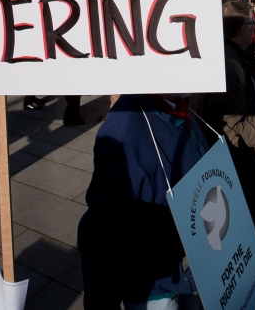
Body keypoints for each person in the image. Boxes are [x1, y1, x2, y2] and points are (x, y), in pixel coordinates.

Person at [79, 94, 207, 309]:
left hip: (193, 270)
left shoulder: (179, 105)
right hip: (156, 290)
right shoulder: (125, 130)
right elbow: (101, 236)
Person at [199, 0, 255, 237]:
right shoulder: (230, 67)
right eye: (253, 24)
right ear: (243, 30)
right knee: (239, 229)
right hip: (233, 165)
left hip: (229, 161)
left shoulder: (228, 54)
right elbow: (231, 130)